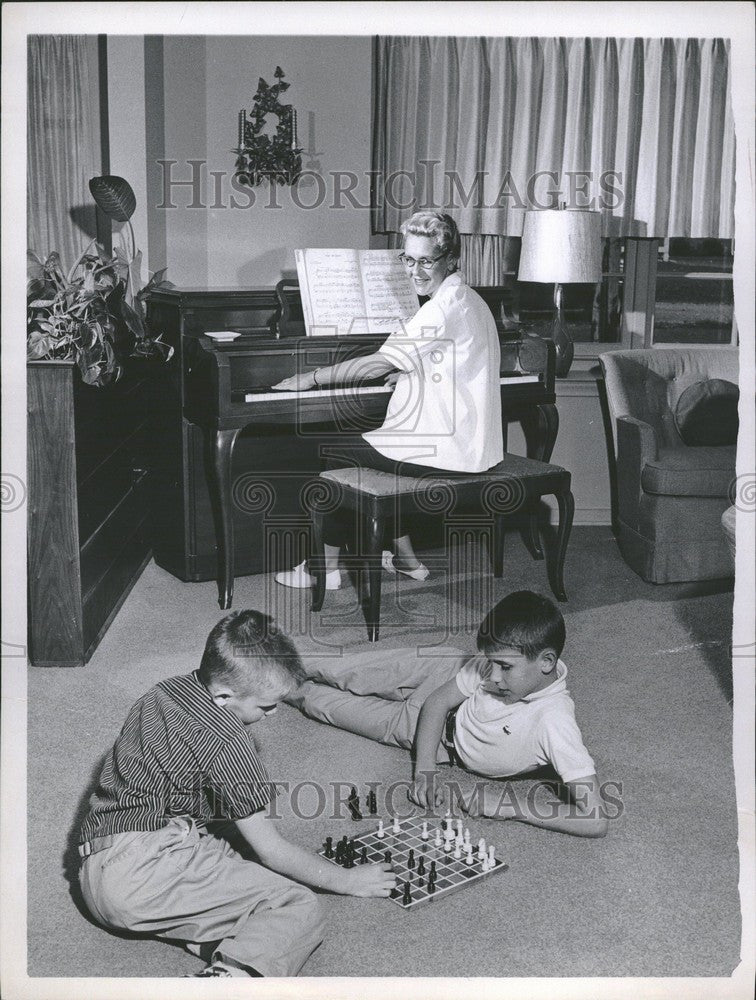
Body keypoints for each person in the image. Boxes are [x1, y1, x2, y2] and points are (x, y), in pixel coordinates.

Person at [77, 611, 395, 979]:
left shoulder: (162, 691)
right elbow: (272, 851)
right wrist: (348, 880)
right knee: (295, 904)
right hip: (143, 878)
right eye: (266, 705)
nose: (273, 713)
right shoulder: (230, 740)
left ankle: (223, 933)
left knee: (230, 845)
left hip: (97, 868)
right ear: (225, 696)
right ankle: (227, 979)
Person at [272, 210, 504, 591]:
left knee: (340, 456)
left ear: (451, 259)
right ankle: (408, 560)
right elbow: (448, 360)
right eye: (408, 259)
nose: (415, 271)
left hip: (452, 452)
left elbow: (374, 366)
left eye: (426, 261)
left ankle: (324, 571)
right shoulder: (469, 298)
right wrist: (412, 371)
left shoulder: (440, 308)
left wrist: (310, 377)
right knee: (381, 460)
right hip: (470, 444)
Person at [288, 591, 608, 838]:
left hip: (432, 737)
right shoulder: (491, 665)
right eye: (490, 662)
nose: (493, 676)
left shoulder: (554, 721)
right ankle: (266, 654)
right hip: (443, 669)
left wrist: (511, 805)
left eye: (505, 667)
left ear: (547, 662)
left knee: (324, 706)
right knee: (344, 669)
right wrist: (424, 771)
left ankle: (273, 687)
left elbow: (595, 820)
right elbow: (437, 702)